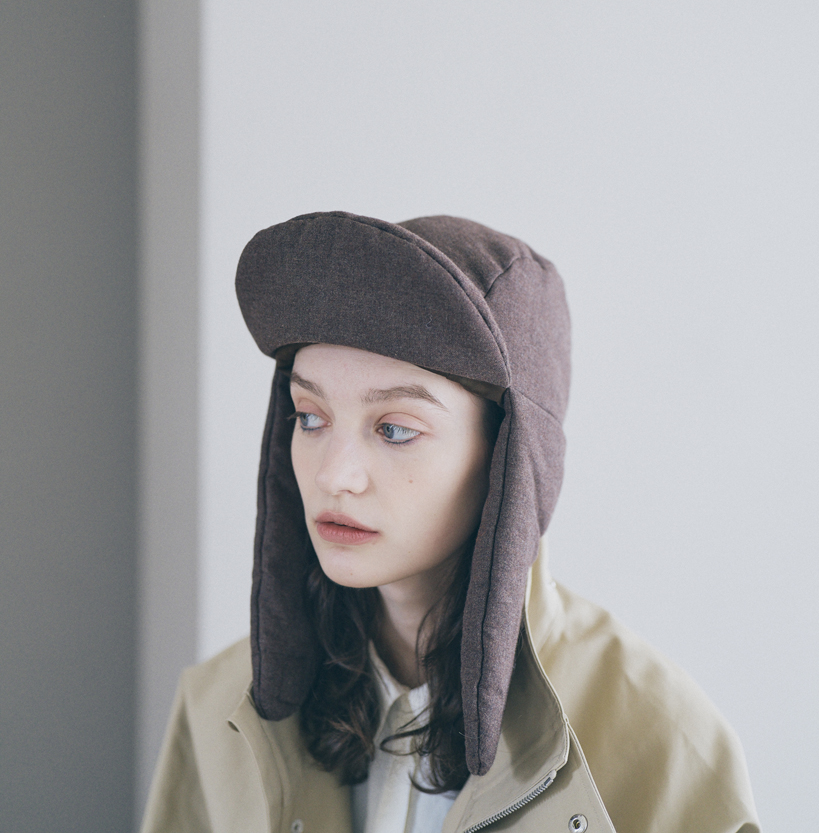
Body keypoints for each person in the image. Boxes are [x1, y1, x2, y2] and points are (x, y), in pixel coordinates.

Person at [141, 211, 760, 833]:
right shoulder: (217, 710)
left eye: (394, 429)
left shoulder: (666, 743)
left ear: (509, 456)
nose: (335, 475)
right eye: (310, 417)